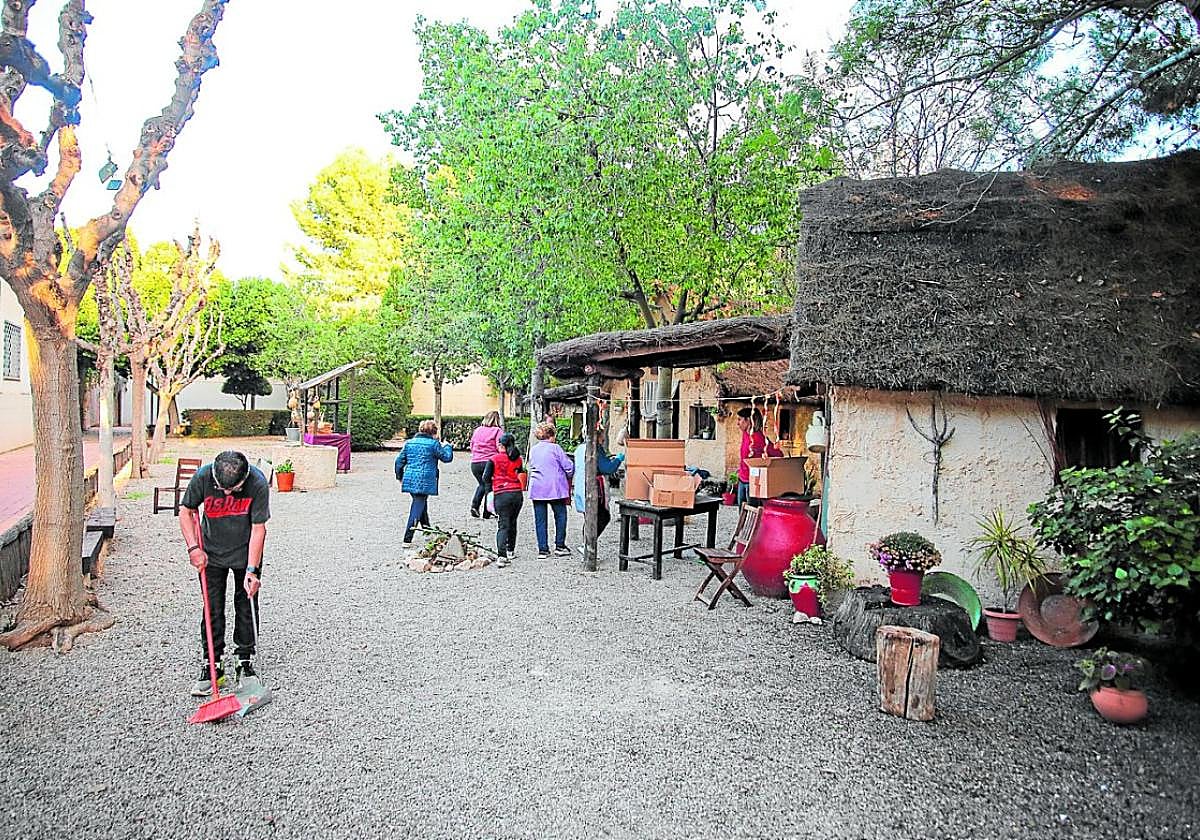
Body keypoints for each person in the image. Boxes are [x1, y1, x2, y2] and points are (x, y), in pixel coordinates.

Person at [179, 450, 270, 696]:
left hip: (245, 552)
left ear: (245, 477)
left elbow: (258, 528)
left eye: (235, 489)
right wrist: (193, 548)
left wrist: (252, 570)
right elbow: (186, 511)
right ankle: (212, 664)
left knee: (246, 605)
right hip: (210, 554)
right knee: (212, 607)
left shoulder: (258, 483)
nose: (228, 494)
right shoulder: (203, 477)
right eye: (223, 488)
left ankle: (244, 660)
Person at [395, 420, 454, 545]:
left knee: (421, 504)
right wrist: (448, 446)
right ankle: (407, 538)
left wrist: (400, 477)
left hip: (410, 477)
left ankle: (427, 533)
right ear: (434, 432)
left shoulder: (409, 443)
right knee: (417, 507)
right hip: (425, 479)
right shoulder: (434, 444)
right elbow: (447, 458)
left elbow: (399, 462)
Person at [527, 421, 575, 559]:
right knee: (560, 515)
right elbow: (568, 466)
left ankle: (543, 549)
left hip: (537, 487)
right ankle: (560, 545)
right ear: (552, 435)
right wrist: (570, 474)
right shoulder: (555, 448)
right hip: (555, 487)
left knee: (540, 519)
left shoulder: (534, 449)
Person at [572, 428, 626, 539]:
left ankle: (586, 542)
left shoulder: (579, 448)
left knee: (588, 517)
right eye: (602, 436)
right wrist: (618, 459)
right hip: (593, 488)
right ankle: (588, 543)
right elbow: (607, 468)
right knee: (603, 517)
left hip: (580, 486)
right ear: (597, 437)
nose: (604, 439)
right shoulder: (595, 448)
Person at [482, 432, 524, 567]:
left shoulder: (494, 459)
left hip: (501, 493)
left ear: (500, 445)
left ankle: (501, 555)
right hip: (517, 493)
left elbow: (485, 478)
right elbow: (520, 473)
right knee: (513, 522)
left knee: (503, 524)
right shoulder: (518, 458)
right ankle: (511, 549)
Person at [468, 411, 503, 519]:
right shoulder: (497, 431)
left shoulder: (477, 430)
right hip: (490, 462)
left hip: (475, 463)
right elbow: (500, 447)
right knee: (490, 486)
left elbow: (472, 445)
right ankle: (488, 511)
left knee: (482, 484)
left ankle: (475, 505)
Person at [736, 407, 766, 506]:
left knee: (752, 513)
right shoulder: (745, 434)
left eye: (740, 419)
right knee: (742, 512)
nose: (738, 423)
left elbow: (777, 454)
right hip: (742, 479)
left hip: (752, 481)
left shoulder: (759, 438)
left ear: (748, 420)